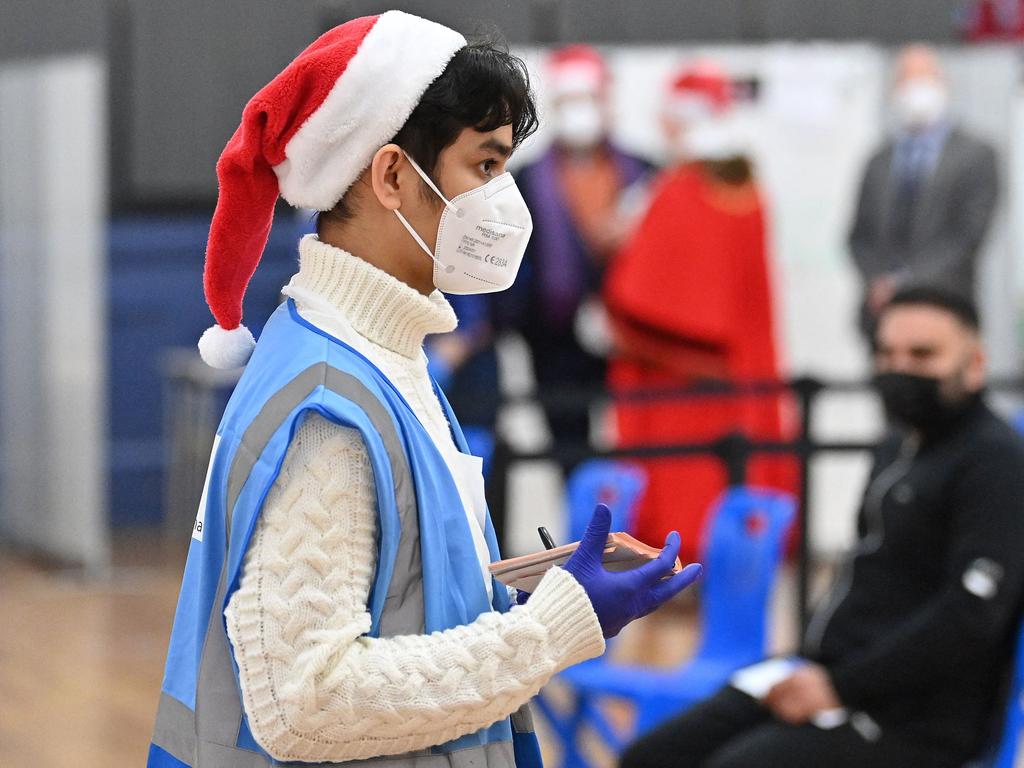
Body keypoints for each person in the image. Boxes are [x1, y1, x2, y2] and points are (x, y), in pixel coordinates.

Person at [146, 13, 702, 768]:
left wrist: (518, 592)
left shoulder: (380, 352)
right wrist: (551, 632)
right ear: (393, 176)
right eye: (484, 165)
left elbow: (389, 590)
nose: (502, 200)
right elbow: (309, 702)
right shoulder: (328, 405)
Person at [620, 285, 1024, 768]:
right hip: (829, 674)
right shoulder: (899, 447)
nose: (901, 370)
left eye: (923, 355)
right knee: (652, 756)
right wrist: (816, 676)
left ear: (974, 364)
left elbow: (969, 619)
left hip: (918, 721)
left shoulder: (994, 461)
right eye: (887, 354)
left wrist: (840, 686)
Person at [603, 61, 796, 561]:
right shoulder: (747, 190)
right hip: (733, 365)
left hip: (679, 379)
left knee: (688, 476)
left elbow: (643, 294)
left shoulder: (683, 189)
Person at [495, 44, 652, 447]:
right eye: (568, 101)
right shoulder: (525, 182)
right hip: (556, 342)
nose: (578, 112)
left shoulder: (648, 174)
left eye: (587, 100)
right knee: (571, 454)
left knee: (638, 455)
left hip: (636, 342)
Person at [848, 45, 998, 339]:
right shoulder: (878, 161)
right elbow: (859, 236)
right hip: (882, 313)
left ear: (944, 84)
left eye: (924, 77)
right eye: (905, 79)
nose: (915, 88)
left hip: (947, 305)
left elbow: (966, 235)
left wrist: (906, 284)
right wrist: (878, 282)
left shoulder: (976, 155)